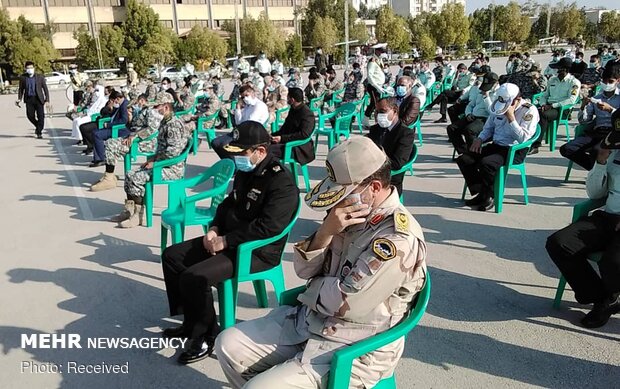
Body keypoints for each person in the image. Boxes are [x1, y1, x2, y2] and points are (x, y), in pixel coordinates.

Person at [215, 136, 427, 389]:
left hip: (355, 343)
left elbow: (347, 303)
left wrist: (313, 289)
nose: (336, 201)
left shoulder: (396, 239)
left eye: (344, 193)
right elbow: (303, 270)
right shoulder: (348, 215)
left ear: (374, 187)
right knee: (227, 344)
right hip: (310, 321)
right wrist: (326, 231)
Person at [162, 121, 299, 364]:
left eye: (242, 153)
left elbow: (269, 227)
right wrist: (214, 228)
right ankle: (191, 322)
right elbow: (228, 203)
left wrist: (226, 240)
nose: (238, 158)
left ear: (260, 151)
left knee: (195, 277)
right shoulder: (247, 171)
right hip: (229, 240)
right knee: (172, 256)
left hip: (255, 250)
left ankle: (206, 335)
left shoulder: (281, 182)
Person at [546, 110, 620, 328]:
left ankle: (608, 298)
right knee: (559, 244)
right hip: (609, 217)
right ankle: (601, 297)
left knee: (613, 263)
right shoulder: (614, 151)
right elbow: (595, 194)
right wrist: (601, 161)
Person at [457, 83, 539, 211]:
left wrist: (511, 118)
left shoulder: (529, 110)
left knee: (487, 163)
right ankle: (482, 192)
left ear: (516, 100)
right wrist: (480, 139)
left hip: (514, 150)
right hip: (496, 145)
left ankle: (491, 196)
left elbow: (523, 138)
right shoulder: (497, 106)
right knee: (464, 159)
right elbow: (488, 128)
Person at [113, 92, 190, 228]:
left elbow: (173, 152)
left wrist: (155, 163)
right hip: (163, 163)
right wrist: (153, 159)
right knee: (130, 174)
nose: (154, 109)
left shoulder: (174, 125)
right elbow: (162, 149)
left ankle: (139, 215)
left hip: (171, 168)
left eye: (157, 106)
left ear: (166, 107)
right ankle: (131, 210)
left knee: (137, 178)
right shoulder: (165, 121)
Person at [90, 94, 163, 192]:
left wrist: (135, 136)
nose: (138, 104)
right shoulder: (145, 110)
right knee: (110, 142)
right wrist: (131, 119)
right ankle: (109, 175)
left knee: (111, 144)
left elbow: (151, 129)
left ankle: (109, 178)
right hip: (135, 138)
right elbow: (136, 125)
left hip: (144, 142)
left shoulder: (151, 112)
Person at [559, 67, 620, 171]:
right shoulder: (597, 97)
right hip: (597, 131)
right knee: (566, 149)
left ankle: (599, 174)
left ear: (618, 81)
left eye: (610, 81)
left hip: (614, 133)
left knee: (597, 150)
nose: (607, 84)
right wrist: (583, 107)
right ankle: (595, 171)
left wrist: (610, 110)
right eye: (605, 81)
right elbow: (584, 121)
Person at [530, 57, 581, 154]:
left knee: (543, 114)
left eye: (558, 68)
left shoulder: (574, 82)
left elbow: (571, 100)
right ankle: (528, 140)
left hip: (561, 109)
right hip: (548, 106)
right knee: (531, 112)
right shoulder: (552, 80)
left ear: (564, 69)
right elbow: (545, 95)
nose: (556, 70)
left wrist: (552, 106)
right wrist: (543, 104)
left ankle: (536, 145)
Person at [367, 97, 416, 195]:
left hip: (389, 179)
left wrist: (381, 156)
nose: (379, 115)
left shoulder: (405, 133)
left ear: (394, 111)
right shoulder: (375, 129)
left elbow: (398, 163)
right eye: (377, 112)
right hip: (369, 174)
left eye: (383, 111)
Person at [448, 72, 499, 155]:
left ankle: (473, 155)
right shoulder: (481, 89)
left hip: (485, 119)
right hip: (473, 115)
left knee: (469, 130)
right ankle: (463, 151)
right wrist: (468, 113)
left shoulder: (498, 94)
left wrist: (486, 97)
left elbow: (491, 111)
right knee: (452, 128)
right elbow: (471, 104)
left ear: (496, 83)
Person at [212, 84, 269, 158]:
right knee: (215, 143)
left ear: (252, 93)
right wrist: (238, 108)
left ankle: (234, 163)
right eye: (243, 97)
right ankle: (230, 162)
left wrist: (240, 124)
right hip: (240, 131)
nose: (245, 98)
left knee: (224, 145)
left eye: (246, 95)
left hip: (251, 133)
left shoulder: (259, 105)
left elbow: (250, 122)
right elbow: (238, 122)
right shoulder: (247, 106)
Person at [269, 87, 315, 165]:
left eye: (288, 97)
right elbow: (285, 128)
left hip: (299, 147)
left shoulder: (307, 113)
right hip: (289, 142)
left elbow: (304, 134)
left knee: (266, 151)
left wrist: (282, 138)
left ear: (292, 100)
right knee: (263, 145)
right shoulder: (293, 109)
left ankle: (274, 175)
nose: (286, 99)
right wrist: (272, 136)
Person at [85, 90, 129, 167]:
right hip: (113, 126)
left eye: (114, 100)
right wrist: (111, 108)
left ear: (118, 98)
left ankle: (102, 158)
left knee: (97, 134)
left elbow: (123, 120)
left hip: (120, 129)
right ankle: (98, 157)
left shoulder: (124, 105)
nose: (114, 102)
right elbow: (111, 115)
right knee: (95, 132)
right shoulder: (119, 105)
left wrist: (109, 125)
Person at [16, 61, 49, 139]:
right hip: (29, 99)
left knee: (41, 117)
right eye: (28, 68)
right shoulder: (23, 78)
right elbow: (21, 89)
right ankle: (38, 126)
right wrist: (19, 99)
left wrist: (47, 100)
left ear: (34, 68)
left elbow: (45, 89)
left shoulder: (40, 77)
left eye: (31, 68)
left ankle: (39, 132)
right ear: (25, 69)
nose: (30, 69)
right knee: (30, 115)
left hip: (38, 99)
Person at [363, 51, 386, 126]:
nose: (382, 53)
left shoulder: (379, 60)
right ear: (376, 51)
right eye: (381, 51)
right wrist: (377, 86)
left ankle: (377, 122)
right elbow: (370, 75)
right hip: (374, 86)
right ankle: (365, 121)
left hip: (379, 86)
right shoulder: (372, 61)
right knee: (374, 104)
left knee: (377, 104)